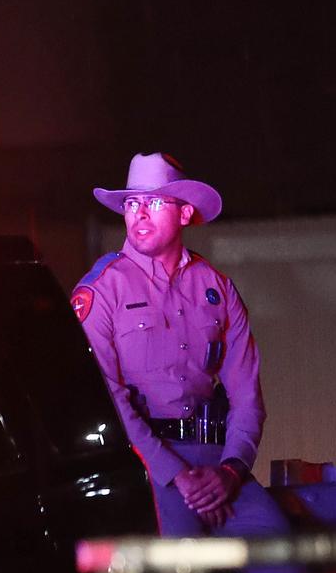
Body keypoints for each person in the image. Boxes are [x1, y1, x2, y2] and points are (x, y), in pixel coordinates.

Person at [71, 152, 292, 541]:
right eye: (131, 203)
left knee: (278, 552)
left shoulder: (216, 288)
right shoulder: (102, 291)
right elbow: (108, 400)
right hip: (147, 464)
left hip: (217, 461)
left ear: (185, 214)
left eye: (154, 202)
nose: (139, 214)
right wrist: (176, 475)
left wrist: (230, 471)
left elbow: (247, 397)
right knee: (181, 572)